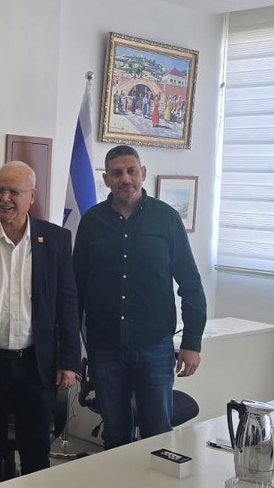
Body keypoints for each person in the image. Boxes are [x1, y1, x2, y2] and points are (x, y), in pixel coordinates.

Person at [73, 145, 207, 449]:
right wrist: (69, 347)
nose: (125, 179)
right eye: (117, 173)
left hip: (155, 346)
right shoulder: (92, 222)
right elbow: (76, 289)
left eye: (131, 171)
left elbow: (191, 284)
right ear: (106, 179)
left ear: (143, 173)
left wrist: (192, 343)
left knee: (157, 432)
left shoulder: (167, 218)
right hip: (105, 347)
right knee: (115, 433)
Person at [0, 161, 79, 487]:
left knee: (36, 450)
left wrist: (69, 361)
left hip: (36, 364)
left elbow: (67, 303)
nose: (5, 198)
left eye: (14, 191)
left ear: (32, 196)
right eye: (0, 189)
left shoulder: (56, 239)